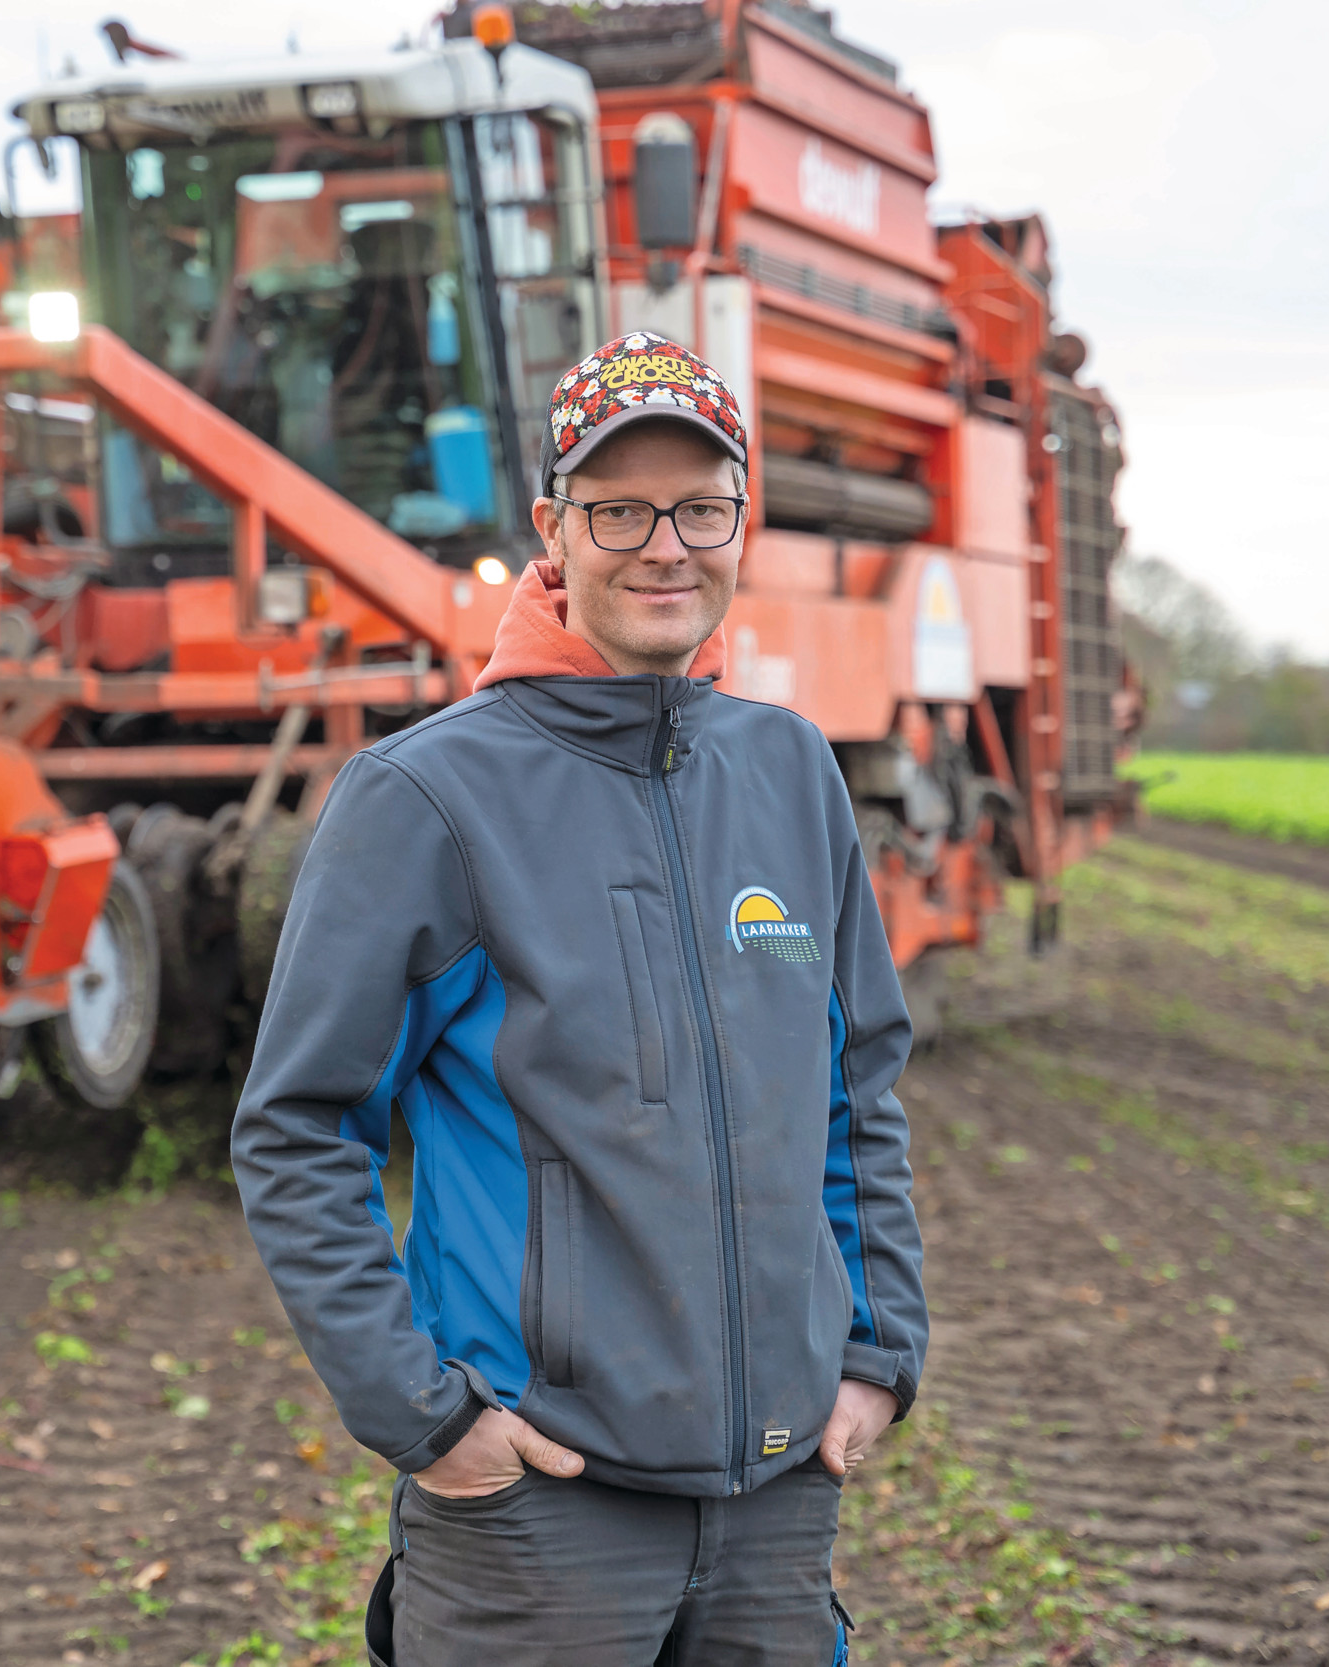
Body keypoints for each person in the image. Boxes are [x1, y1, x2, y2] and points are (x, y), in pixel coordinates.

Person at [232, 331, 927, 1665]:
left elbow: (858, 1091)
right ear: (555, 527)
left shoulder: (788, 773)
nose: (665, 544)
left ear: (743, 523)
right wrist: (429, 1420)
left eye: (701, 507)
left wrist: (877, 1347)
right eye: (620, 508)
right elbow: (297, 1129)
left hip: (778, 1504)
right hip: (542, 1512)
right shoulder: (431, 800)